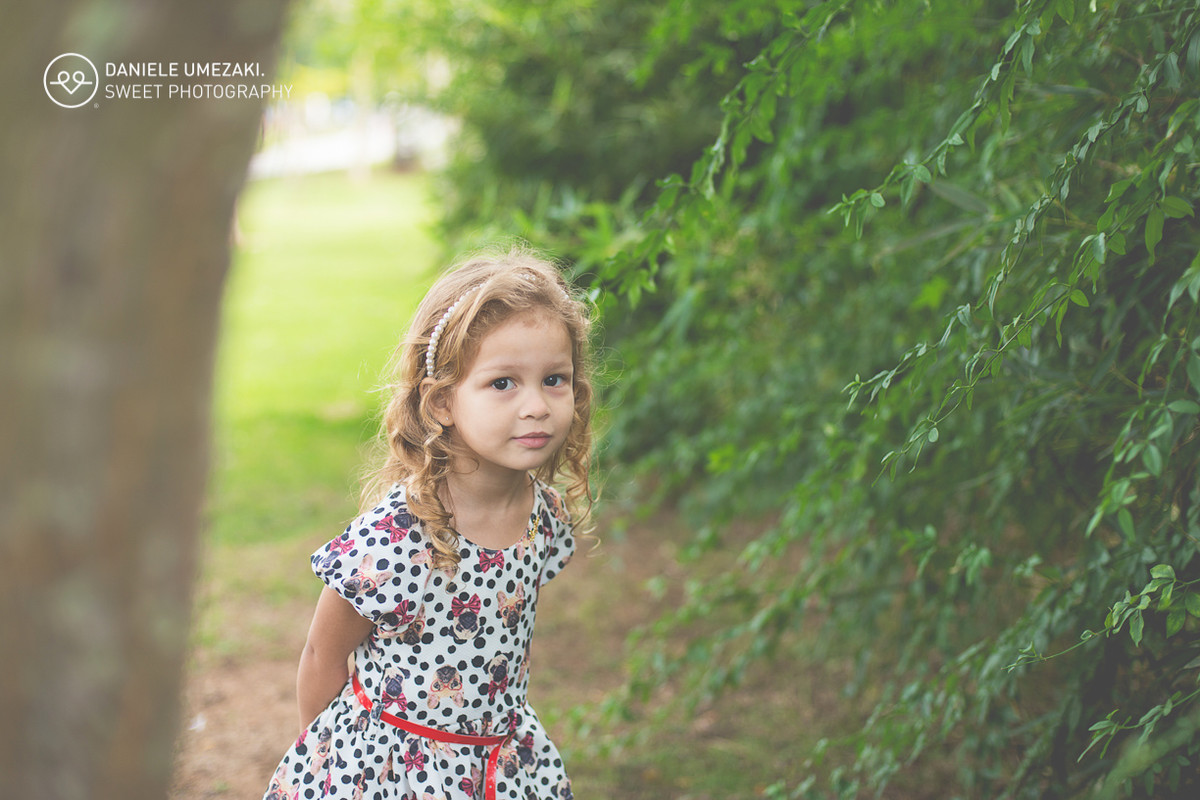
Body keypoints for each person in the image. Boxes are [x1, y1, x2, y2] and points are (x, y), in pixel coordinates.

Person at [263, 245, 593, 800]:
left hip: (502, 766)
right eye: (503, 383)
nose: (536, 405)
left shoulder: (543, 515)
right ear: (442, 402)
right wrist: (328, 768)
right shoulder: (398, 538)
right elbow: (323, 654)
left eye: (554, 379)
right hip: (391, 773)